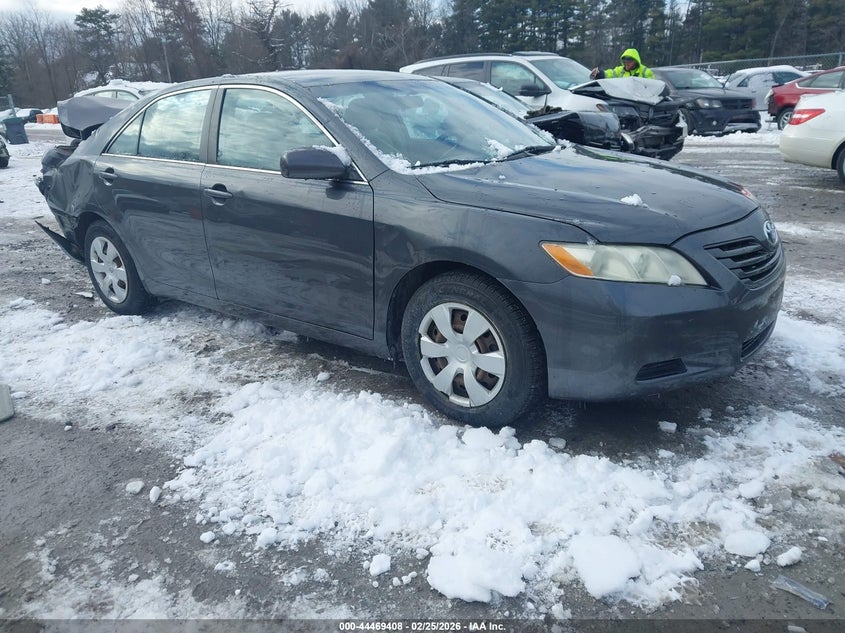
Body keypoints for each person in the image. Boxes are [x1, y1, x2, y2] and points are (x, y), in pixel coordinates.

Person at [590, 49, 655, 80]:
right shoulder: (620, 70)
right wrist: (599, 74)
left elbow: (653, 88)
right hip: (623, 101)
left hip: (640, 103)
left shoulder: (646, 72)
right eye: (625, 60)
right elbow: (610, 73)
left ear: (635, 61)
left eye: (629, 60)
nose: (626, 62)